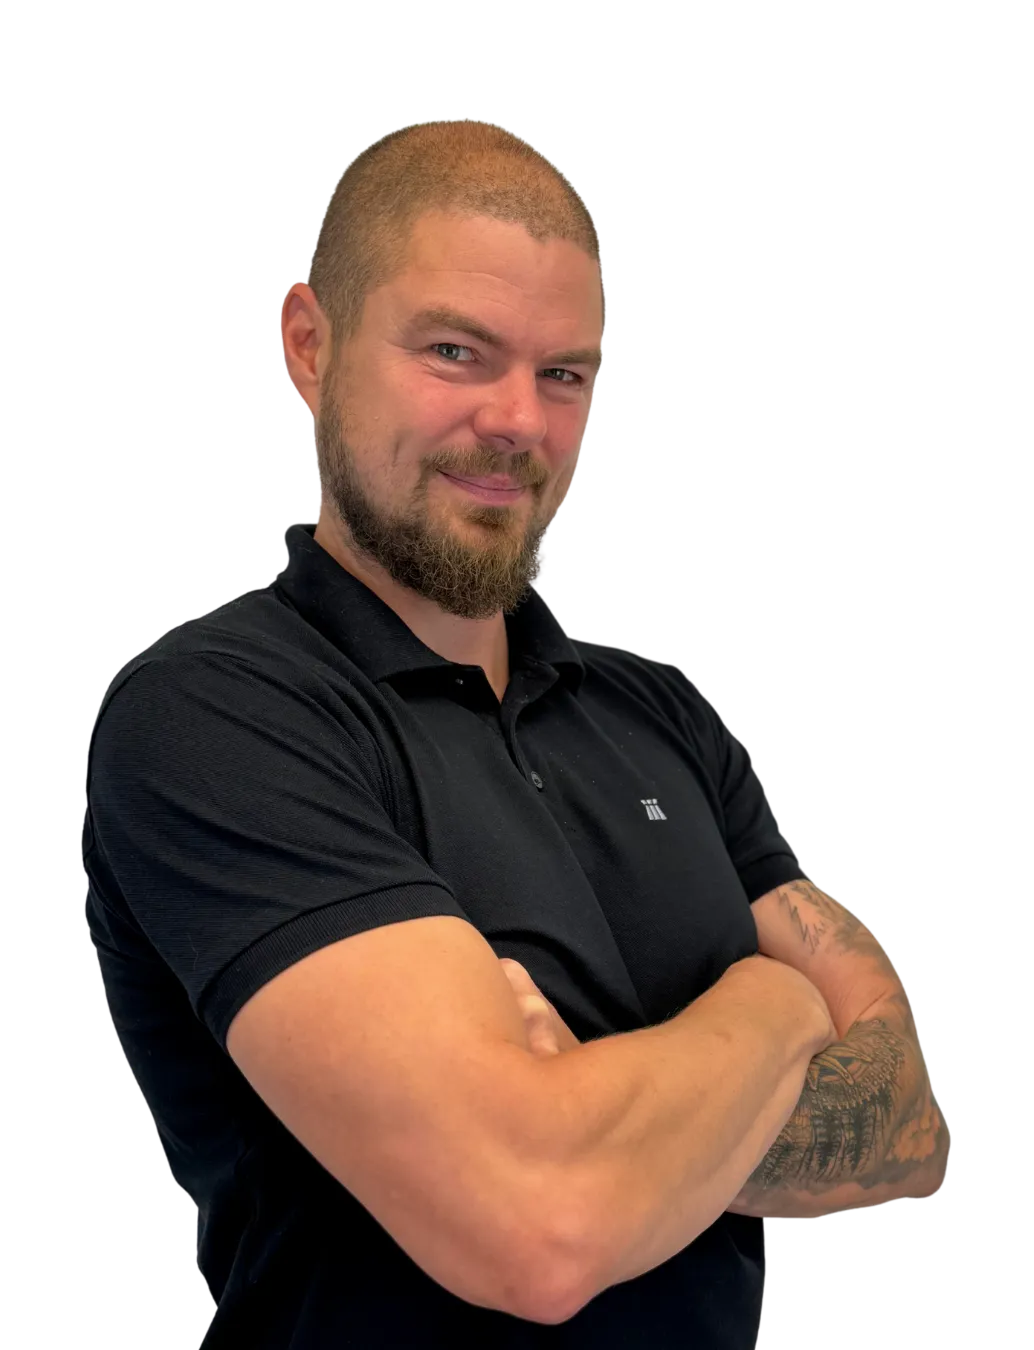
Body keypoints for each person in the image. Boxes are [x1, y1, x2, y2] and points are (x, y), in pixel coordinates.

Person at [82, 118, 794, 1346]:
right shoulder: (212, 715)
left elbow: (900, 1122)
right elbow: (537, 1227)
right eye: (457, 351)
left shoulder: (660, 710)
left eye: (564, 373)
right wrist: (780, 1013)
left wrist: (584, 1100)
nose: (518, 419)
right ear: (309, 345)